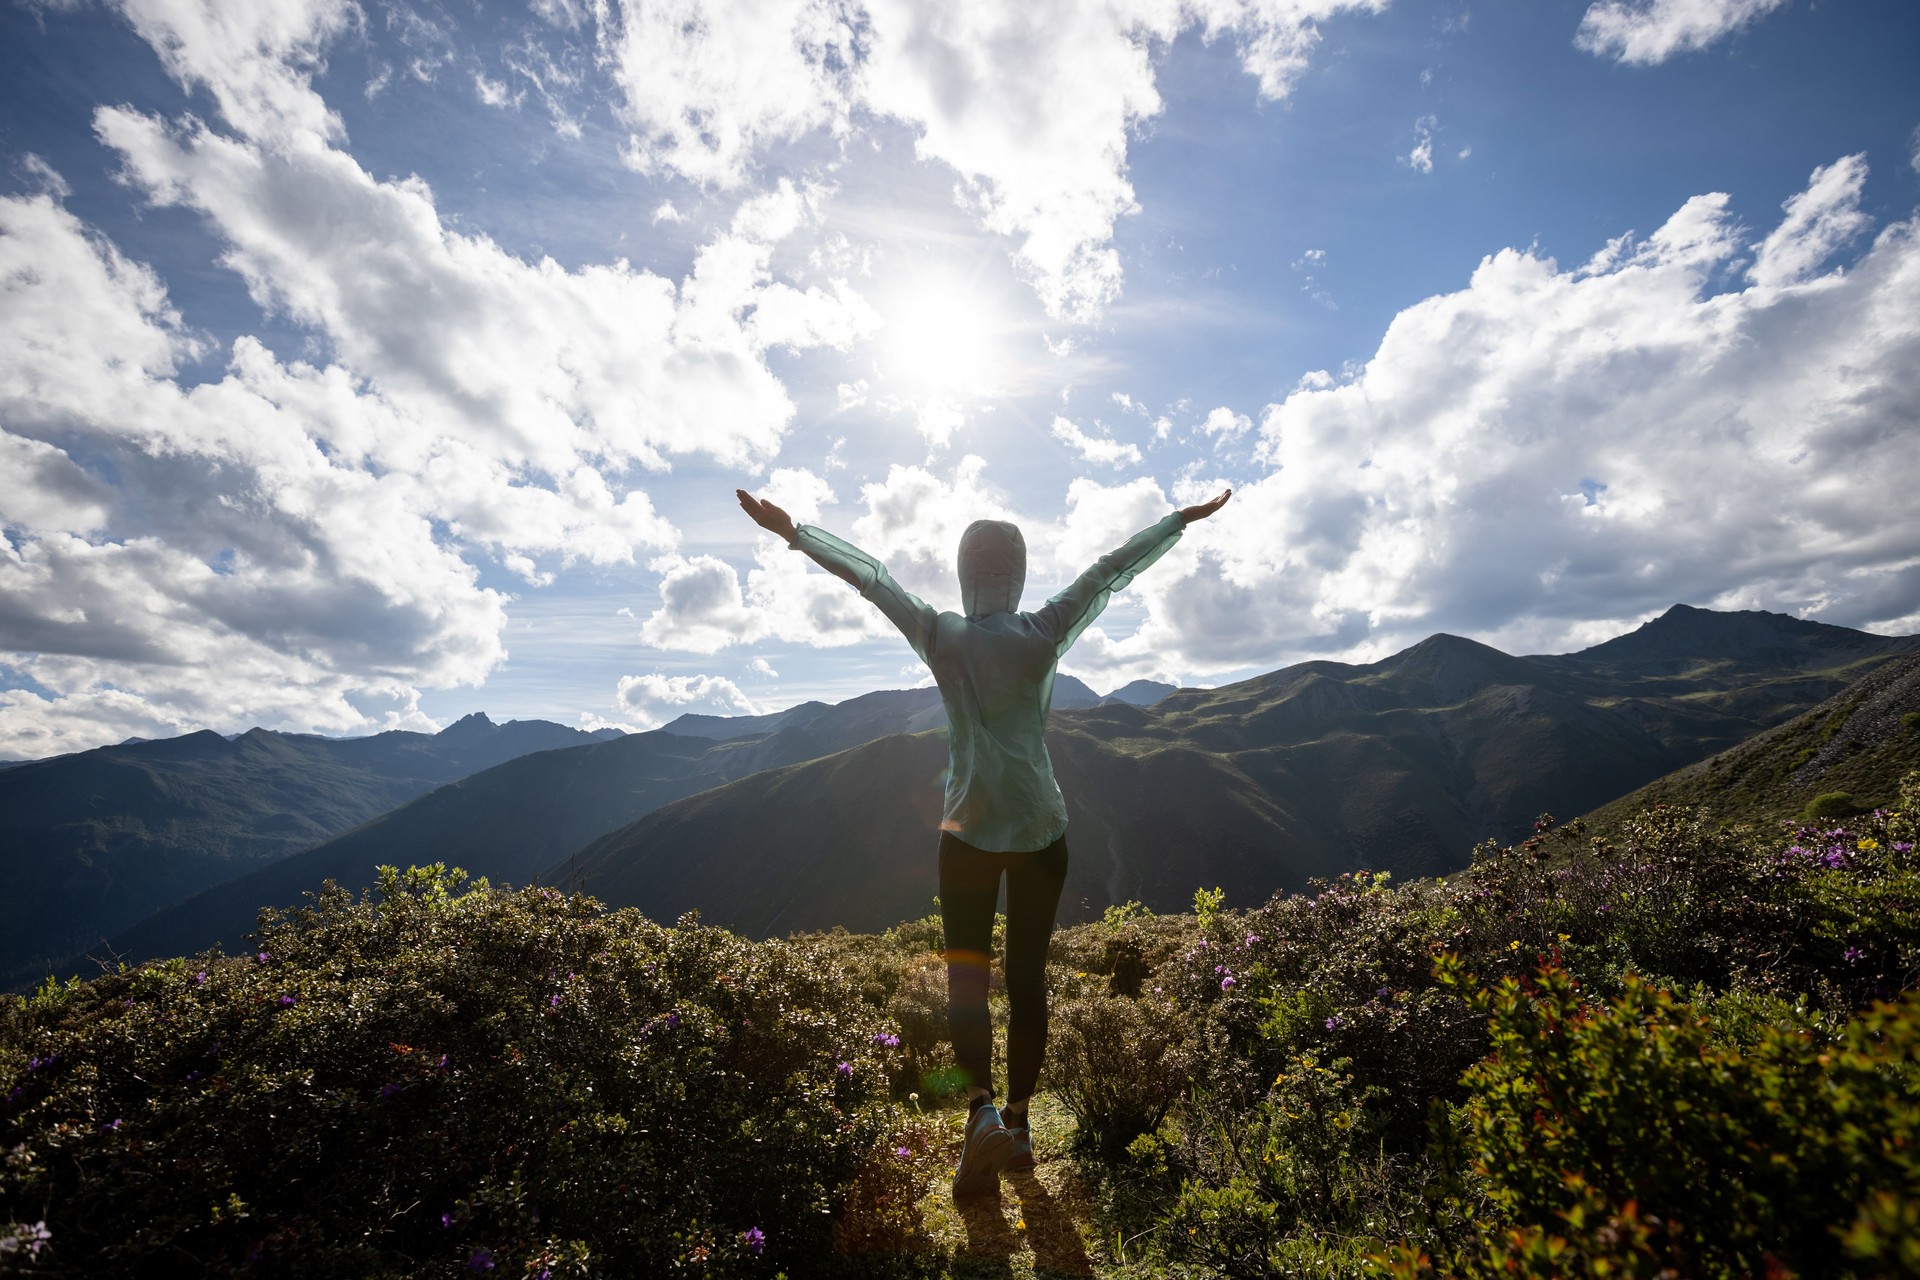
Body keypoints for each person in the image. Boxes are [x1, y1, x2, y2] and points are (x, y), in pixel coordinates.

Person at [735, 485, 1231, 1198]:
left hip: (967, 832)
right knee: (1027, 979)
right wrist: (1177, 521)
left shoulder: (940, 634)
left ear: (966, 573)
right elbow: (1108, 572)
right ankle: (1023, 1124)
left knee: (966, 977)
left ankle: (981, 1114)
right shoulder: (1044, 630)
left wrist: (795, 532)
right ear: (1018, 574)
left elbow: (873, 578)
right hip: (1041, 832)